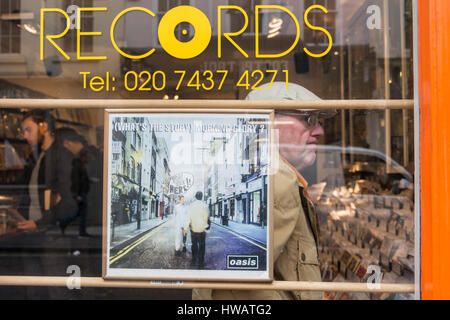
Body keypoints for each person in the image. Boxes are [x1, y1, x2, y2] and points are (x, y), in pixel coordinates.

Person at [193, 82, 335, 300]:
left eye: (318, 120)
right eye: (309, 119)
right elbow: (249, 290)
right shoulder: (279, 178)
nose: (319, 130)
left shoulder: (283, 176)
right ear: (269, 123)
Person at [17, 110, 77, 232]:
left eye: (28, 130)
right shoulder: (36, 156)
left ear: (44, 127)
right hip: (34, 231)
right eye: (24, 131)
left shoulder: (62, 156)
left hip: (51, 234)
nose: (25, 136)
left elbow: (70, 199)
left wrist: (41, 223)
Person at [55, 127, 101, 237]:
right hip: (85, 195)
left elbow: (83, 178)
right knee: (81, 212)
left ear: (67, 143)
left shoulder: (85, 156)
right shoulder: (89, 153)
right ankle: (78, 230)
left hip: (86, 195)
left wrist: (77, 193)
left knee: (81, 212)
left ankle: (64, 224)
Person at [187, 191, 209, 269]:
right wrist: (206, 226)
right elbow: (206, 217)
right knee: (202, 245)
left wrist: (187, 226)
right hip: (202, 229)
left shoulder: (191, 206)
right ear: (202, 197)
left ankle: (194, 258)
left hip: (193, 228)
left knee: (194, 244)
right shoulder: (205, 206)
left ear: (195, 197)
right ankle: (201, 261)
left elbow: (188, 217)